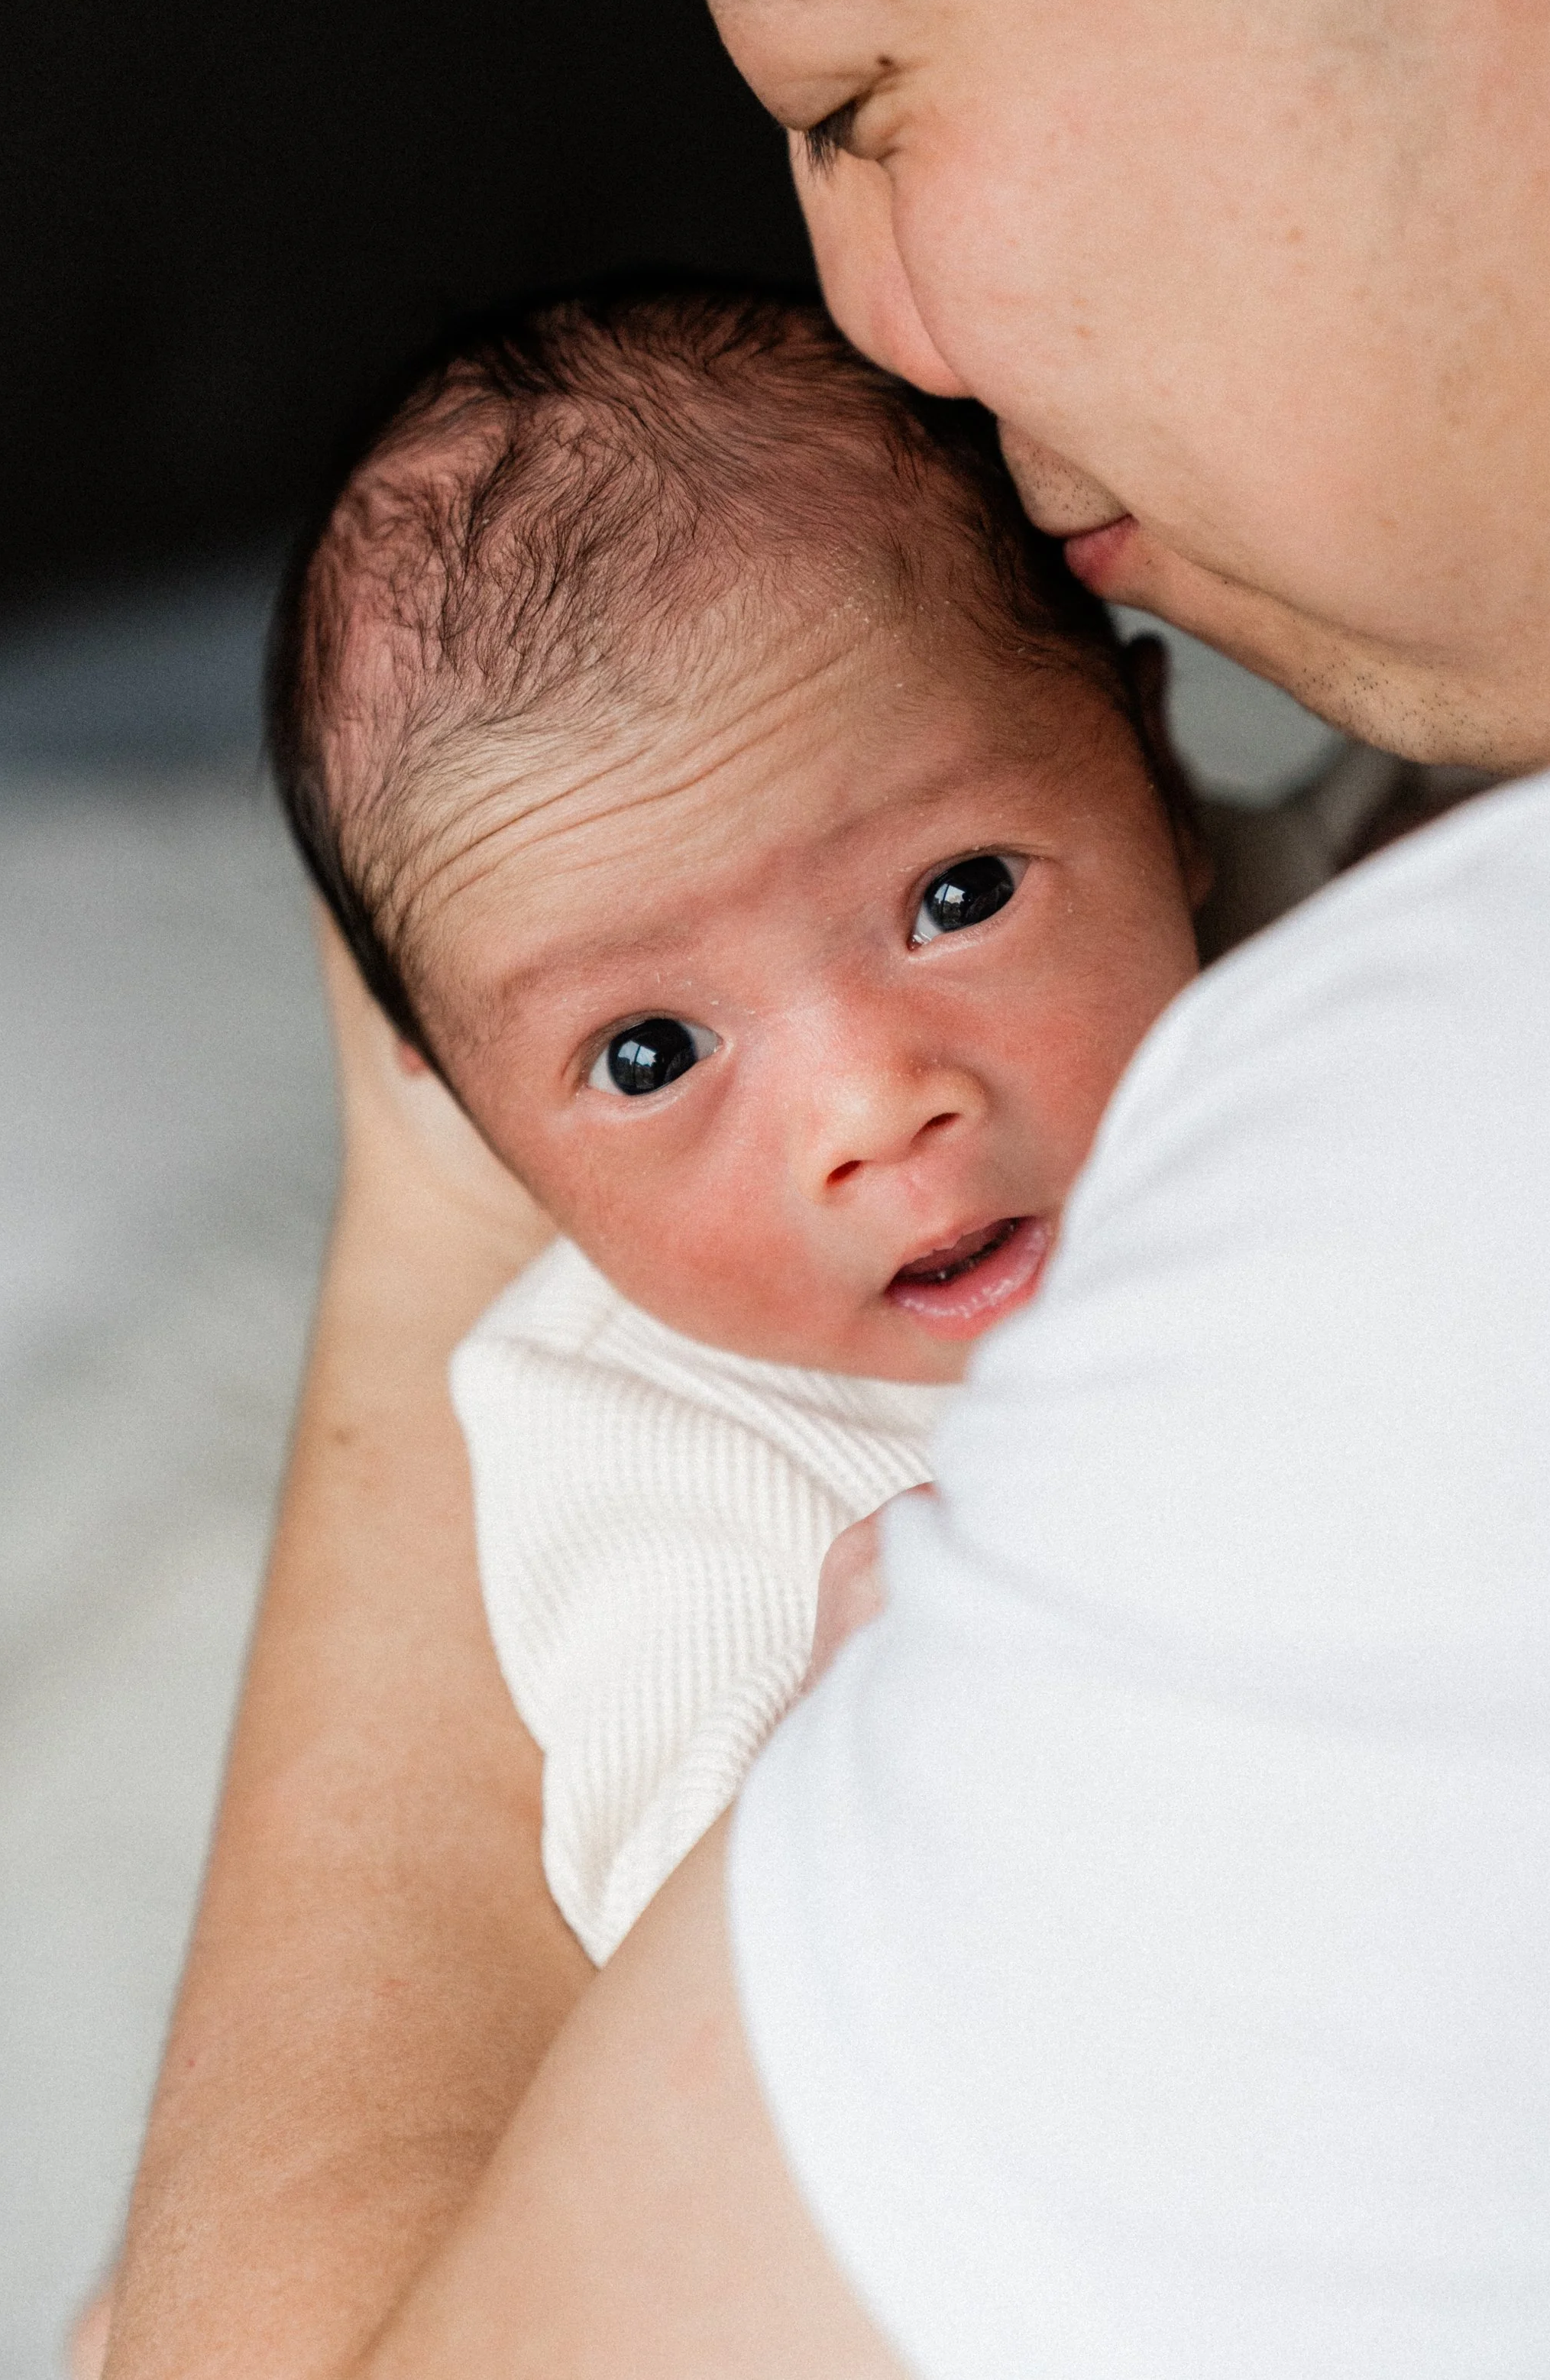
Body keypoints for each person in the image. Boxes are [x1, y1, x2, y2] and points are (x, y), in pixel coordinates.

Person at [102, 0, 1550, 2375]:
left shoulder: (1525, 1158)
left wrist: (438, 1162)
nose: (884, 316)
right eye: (639, 1047)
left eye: (850, 89)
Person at [264, 283, 1212, 1967]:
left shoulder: (1338, 945)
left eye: (960, 894)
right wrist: (847, 1747)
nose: (871, 1106)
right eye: (645, 1055)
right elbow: (694, 1954)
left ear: (1157, 773)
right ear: (466, 1113)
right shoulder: (645, 1444)